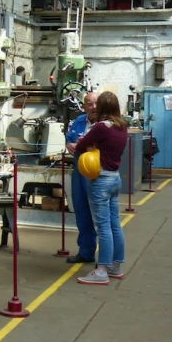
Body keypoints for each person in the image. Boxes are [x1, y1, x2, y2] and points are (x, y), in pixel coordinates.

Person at [75, 91, 129, 285]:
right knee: (115, 224)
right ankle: (116, 265)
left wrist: (88, 147)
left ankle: (102, 270)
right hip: (115, 179)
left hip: (101, 180)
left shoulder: (101, 127)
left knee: (103, 227)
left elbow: (81, 144)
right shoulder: (122, 126)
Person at [64, 92, 98, 264]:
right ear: (84, 106)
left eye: (96, 103)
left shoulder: (104, 124)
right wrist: (69, 144)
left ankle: (108, 259)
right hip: (79, 171)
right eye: (89, 104)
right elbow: (69, 139)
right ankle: (86, 251)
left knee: (101, 215)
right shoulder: (79, 121)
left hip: (98, 173)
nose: (93, 107)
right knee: (82, 210)